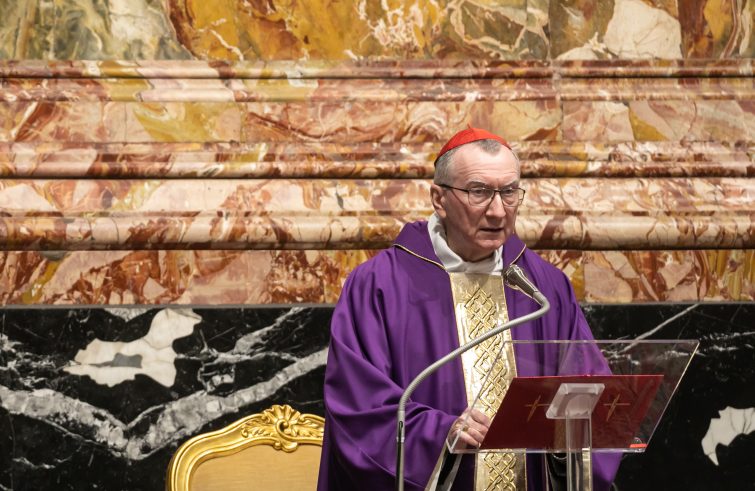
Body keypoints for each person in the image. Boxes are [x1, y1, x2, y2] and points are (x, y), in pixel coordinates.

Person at [317, 127, 619, 490]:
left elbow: (590, 394)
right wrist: (439, 435)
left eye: (509, 193)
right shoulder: (379, 285)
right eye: (479, 192)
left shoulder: (544, 287)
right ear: (439, 199)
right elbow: (358, 406)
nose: (497, 211)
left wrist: (566, 442)